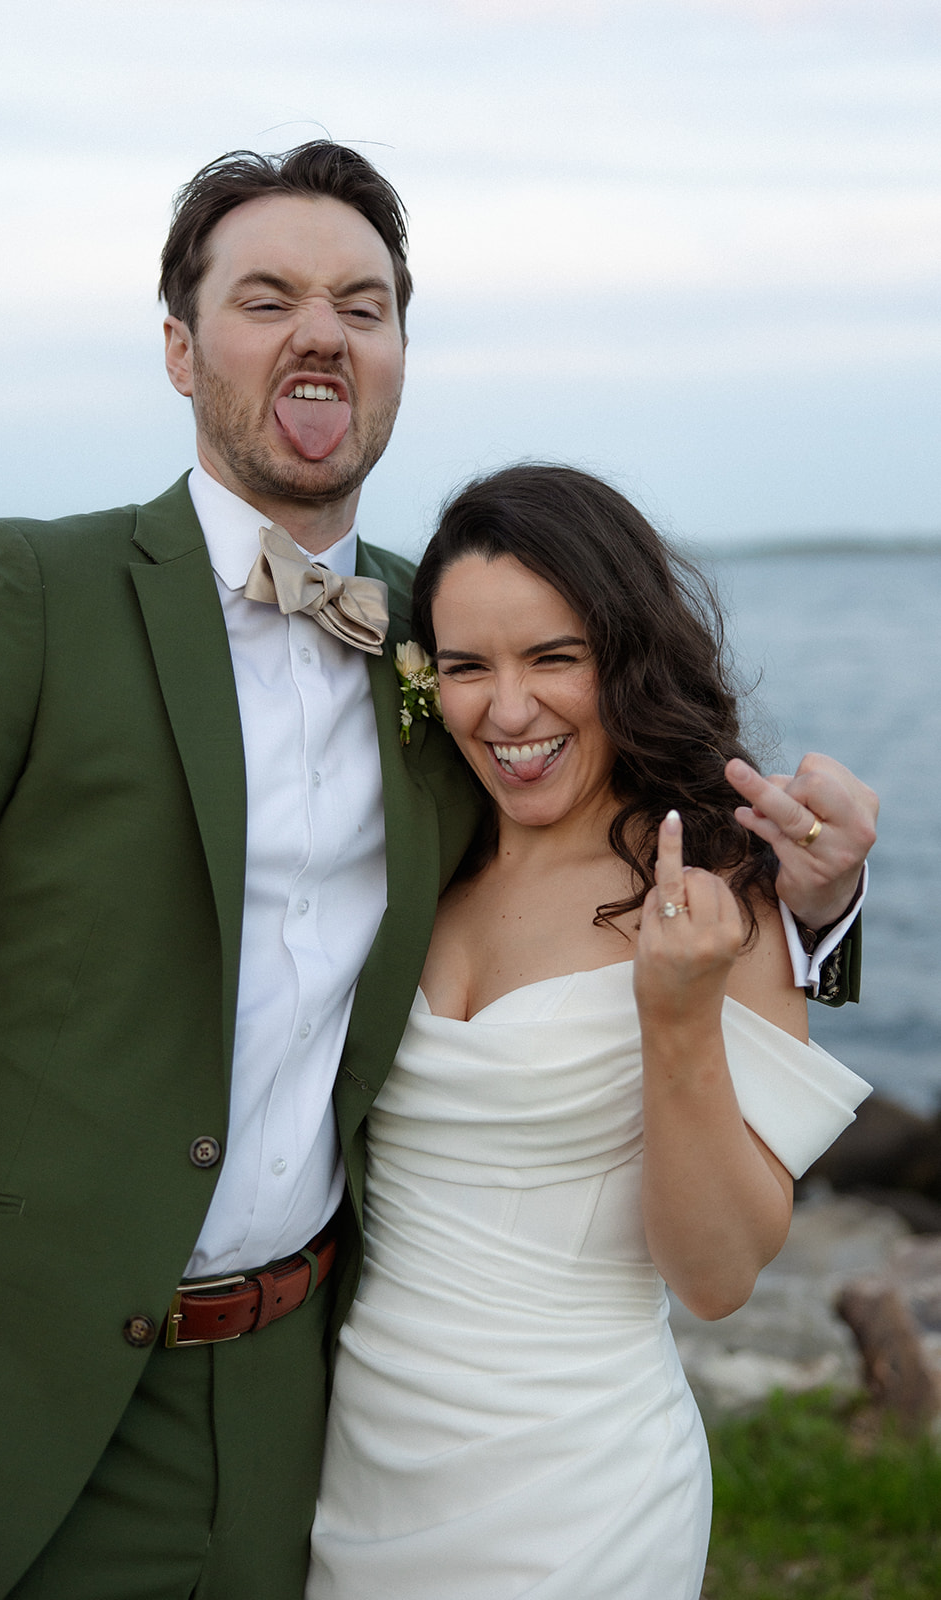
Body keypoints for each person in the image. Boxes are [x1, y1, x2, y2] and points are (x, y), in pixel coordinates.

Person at [0, 144, 874, 1600]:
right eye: (264, 297)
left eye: (362, 302)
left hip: (302, 1401)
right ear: (177, 345)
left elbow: (642, 838)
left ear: (399, 351)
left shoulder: (442, 639)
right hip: (7, 1371)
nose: (319, 333)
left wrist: (825, 911)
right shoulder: (29, 594)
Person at [304, 465, 871, 1600]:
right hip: (351, 1462)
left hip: (571, 1490)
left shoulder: (715, 893)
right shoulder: (413, 860)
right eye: (466, 667)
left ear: (625, 656)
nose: (505, 712)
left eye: (552, 658)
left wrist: (673, 1020)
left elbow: (714, 1278)